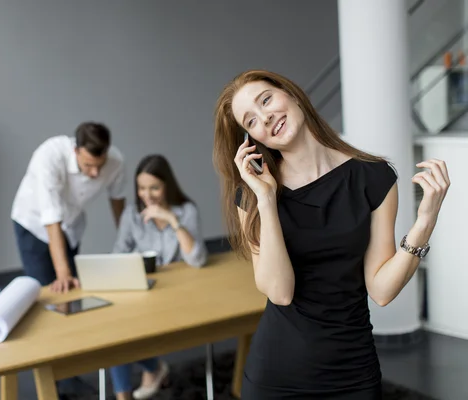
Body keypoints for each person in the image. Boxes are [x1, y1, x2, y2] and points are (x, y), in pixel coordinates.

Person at [212, 70, 450, 399]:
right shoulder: (253, 196)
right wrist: (266, 200)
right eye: (251, 122)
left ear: (292, 94)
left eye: (266, 100)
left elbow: (381, 290)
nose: (265, 118)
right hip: (277, 374)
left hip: (352, 369)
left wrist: (424, 223)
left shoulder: (373, 177)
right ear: (254, 141)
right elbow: (280, 292)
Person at [110, 154, 208, 400]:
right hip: (145, 293)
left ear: (167, 186)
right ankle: (127, 394)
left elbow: (197, 260)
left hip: (178, 296)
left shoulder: (185, 211)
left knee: (125, 336)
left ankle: (153, 369)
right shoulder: (132, 214)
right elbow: (118, 255)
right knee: (117, 333)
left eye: (154, 188)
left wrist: (172, 220)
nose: (147, 195)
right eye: (142, 188)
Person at [11, 121, 126, 293]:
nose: (95, 173)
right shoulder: (50, 156)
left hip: (71, 225)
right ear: (76, 150)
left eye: (100, 165)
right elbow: (51, 218)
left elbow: (117, 200)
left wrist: (127, 242)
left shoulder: (116, 161)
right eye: (88, 165)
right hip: (33, 223)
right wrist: (62, 273)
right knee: (47, 289)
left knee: (74, 287)